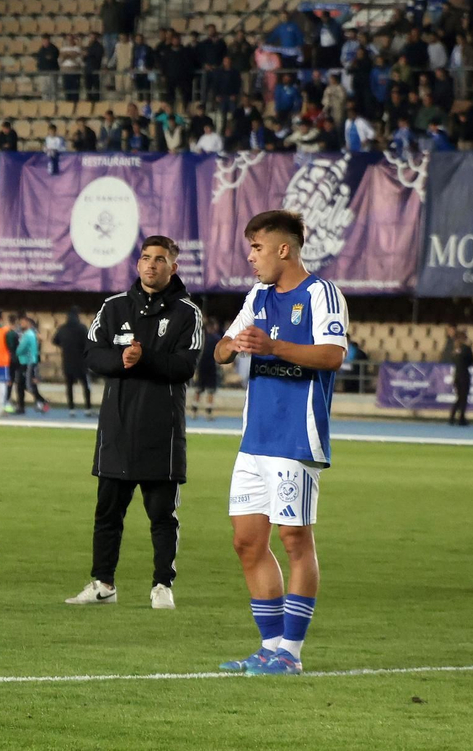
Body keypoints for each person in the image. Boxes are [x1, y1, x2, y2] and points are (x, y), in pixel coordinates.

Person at [215, 210, 349, 676]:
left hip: (296, 437)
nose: (251, 257)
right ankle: (269, 647)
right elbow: (222, 347)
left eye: (257, 248)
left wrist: (272, 347)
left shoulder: (321, 294)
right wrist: (230, 347)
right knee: (247, 542)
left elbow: (332, 354)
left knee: (294, 539)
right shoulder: (258, 295)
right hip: (254, 440)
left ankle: (291, 654)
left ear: (284, 249)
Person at [67, 236, 202, 610]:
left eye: (160, 259)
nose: (151, 265)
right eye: (145, 258)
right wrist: (120, 360)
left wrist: (143, 359)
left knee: (162, 516)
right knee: (107, 514)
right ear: (137, 263)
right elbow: (92, 354)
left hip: (162, 433)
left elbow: (186, 366)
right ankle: (103, 584)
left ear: (173, 268)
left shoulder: (186, 313)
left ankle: (162, 586)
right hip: (117, 430)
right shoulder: (113, 308)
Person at [52, 306, 90, 416]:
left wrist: (65, 346)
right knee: (85, 384)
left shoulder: (62, 328)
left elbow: (55, 340)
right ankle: (87, 407)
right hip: (81, 361)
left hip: (67, 360)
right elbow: (88, 342)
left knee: (69, 386)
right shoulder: (82, 328)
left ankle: (71, 408)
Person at [193, 318, 222, 421]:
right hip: (211, 367)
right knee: (210, 390)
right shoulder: (216, 338)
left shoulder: (201, 338)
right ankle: (208, 413)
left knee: (198, 389)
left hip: (201, 366)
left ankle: (194, 411)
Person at [448, 333, 473, 427]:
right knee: (463, 397)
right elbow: (471, 361)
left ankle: (452, 417)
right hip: (464, 375)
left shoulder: (455, 350)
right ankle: (461, 418)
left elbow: (453, 360)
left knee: (459, 397)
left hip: (457, 375)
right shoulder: (467, 349)